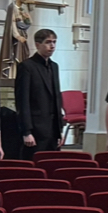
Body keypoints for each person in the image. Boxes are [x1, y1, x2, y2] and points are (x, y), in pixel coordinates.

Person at [13, 29, 64, 158]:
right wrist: (26, 131)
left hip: (52, 129)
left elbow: (56, 98)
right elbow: (22, 101)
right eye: (48, 42)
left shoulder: (54, 66)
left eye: (54, 42)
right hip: (35, 130)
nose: (52, 46)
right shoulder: (27, 66)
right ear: (37, 45)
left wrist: (59, 131)